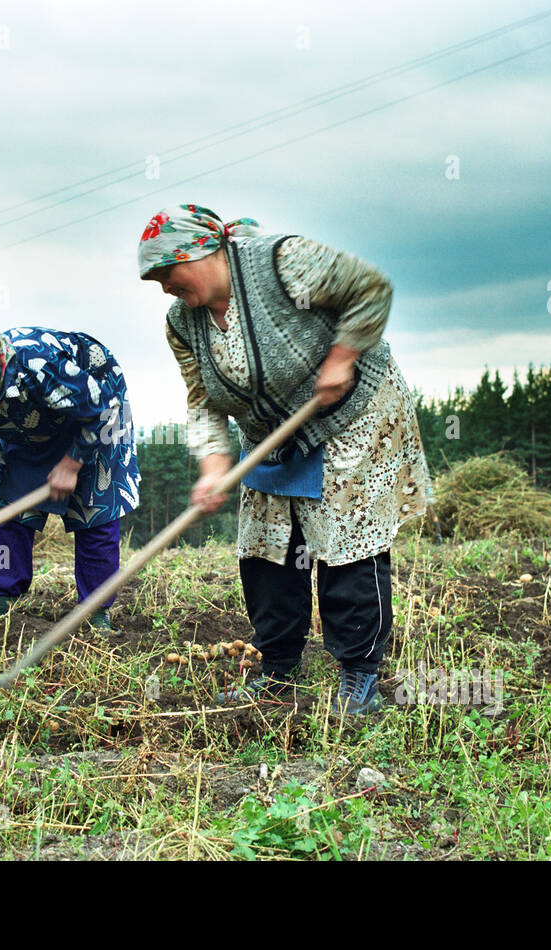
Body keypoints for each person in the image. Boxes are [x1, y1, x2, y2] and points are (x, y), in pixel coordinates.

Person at [138, 204, 432, 715]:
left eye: (168, 271)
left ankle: (359, 677)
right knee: (267, 548)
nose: (164, 286)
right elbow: (202, 399)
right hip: (271, 434)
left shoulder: (281, 262)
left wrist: (342, 358)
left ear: (204, 251)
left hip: (352, 414)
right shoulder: (183, 323)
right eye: (155, 279)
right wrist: (212, 467)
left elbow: (370, 290)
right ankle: (277, 671)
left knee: (345, 543)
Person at [0, 314, 139, 633]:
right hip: (27, 429)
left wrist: (72, 463)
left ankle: (95, 613)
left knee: (94, 510)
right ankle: (2, 604)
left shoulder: (37, 365)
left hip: (93, 416)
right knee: (11, 511)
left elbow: (101, 409)